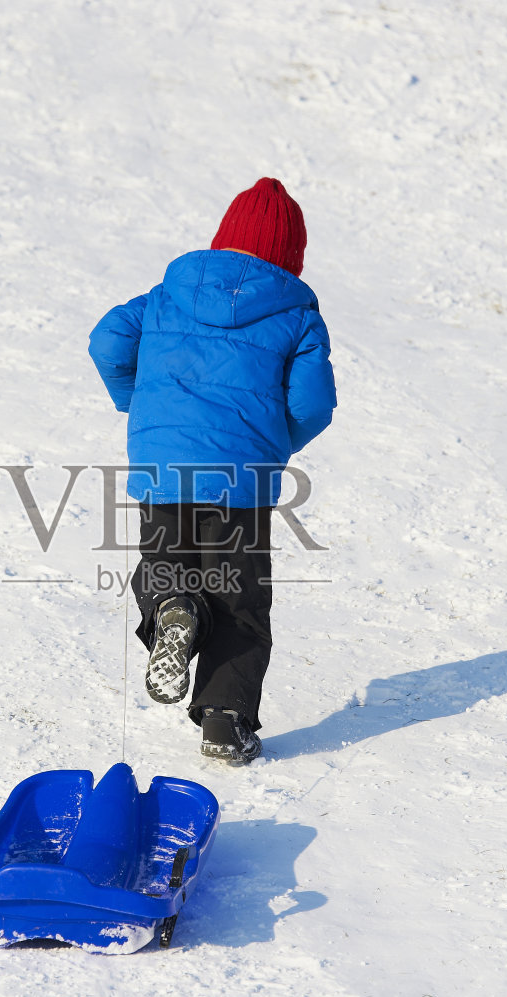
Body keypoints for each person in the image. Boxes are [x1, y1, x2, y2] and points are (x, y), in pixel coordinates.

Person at [87, 177, 336, 766]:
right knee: (240, 599)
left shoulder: (168, 293)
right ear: (291, 257)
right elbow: (312, 405)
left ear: (222, 237)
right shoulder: (297, 314)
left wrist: (141, 407)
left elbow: (107, 343)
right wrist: (267, 448)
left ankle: (174, 605)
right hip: (242, 484)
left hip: (162, 468)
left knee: (162, 567)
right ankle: (225, 722)